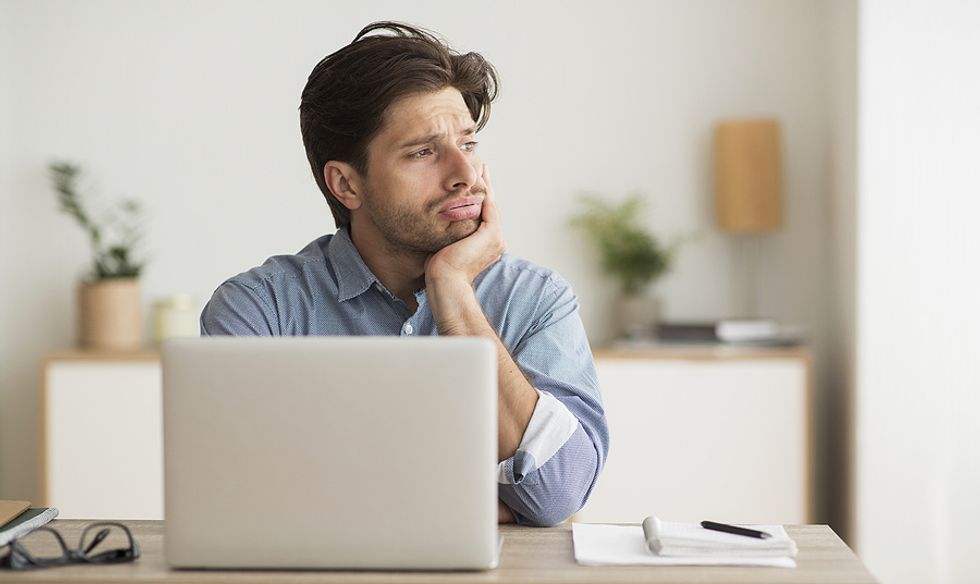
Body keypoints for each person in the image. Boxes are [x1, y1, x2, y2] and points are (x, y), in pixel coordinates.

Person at [201, 21, 608, 527]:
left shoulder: (537, 299)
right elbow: (244, 504)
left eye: (469, 143)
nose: (464, 173)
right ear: (346, 184)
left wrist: (455, 295)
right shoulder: (259, 310)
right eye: (422, 152)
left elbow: (558, 495)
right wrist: (465, 502)